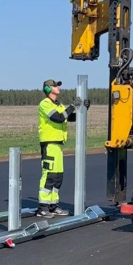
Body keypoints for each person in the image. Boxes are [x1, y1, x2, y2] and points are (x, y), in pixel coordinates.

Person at [36, 79, 90, 218]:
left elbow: (69, 117)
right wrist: (73, 106)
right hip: (49, 144)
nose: (58, 87)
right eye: (54, 86)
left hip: (58, 145)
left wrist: (83, 109)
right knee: (49, 175)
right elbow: (58, 118)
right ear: (48, 89)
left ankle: (53, 205)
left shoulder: (58, 104)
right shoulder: (45, 104)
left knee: (58, 177)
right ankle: (43, 207)